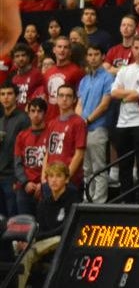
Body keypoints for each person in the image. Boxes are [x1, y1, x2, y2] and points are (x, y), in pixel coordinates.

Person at [17, 162, 80, 288]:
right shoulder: (43, 203)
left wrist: (35, 239)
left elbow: (65, 228)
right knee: (16, 245)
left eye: (58, 176)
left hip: (64, 240)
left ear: (66, 179)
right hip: (45, 242)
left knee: (51, 241)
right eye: (51, 176)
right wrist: (30, 240)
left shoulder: (73, 198)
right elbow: (40, 228)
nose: (54, 180)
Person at [76, 46, 112, 203]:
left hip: (98, 126)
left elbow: (105, 104)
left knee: (99, 167)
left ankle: (99, 201)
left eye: (96, 54)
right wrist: (79, 121)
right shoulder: (84, 80)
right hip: (82, 128)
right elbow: (79, 103)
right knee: (86, 168)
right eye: (89, 55)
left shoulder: (108, 77)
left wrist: (88, 120)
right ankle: (87, 199)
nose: (92, 58)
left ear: (103, 56)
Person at [43, 83, 87, 192]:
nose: (64, 99)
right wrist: (44, 176)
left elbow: (79, 153)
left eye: (68, 96)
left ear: (74, 100)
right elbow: (47, 152)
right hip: (51, 178)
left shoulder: (79, 122)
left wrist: (66, 177)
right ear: (57, 98)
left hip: (69, 181)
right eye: (61, 95)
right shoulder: (52, 123)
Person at [13, 98, 47, 215]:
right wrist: (25, 182)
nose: (36, 114)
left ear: (45, 113)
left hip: (45, 186)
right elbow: (17, 163)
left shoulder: (51, 133)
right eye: (33, 111)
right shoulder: (21, 136)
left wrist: (43, 184)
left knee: (44, 226)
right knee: (24, 225)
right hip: (24, 188)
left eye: (39, 111)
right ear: (28, 112)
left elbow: (53, 162)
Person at [0, 84, 29, 215]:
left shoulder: (23, 119)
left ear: (16, 96)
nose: (6, 97)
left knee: (13, 219)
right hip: (1, 174)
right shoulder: (0, 120)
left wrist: (19, 179)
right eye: (2, 94)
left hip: (12, 177)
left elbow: (25, 151)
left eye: (9, 94)